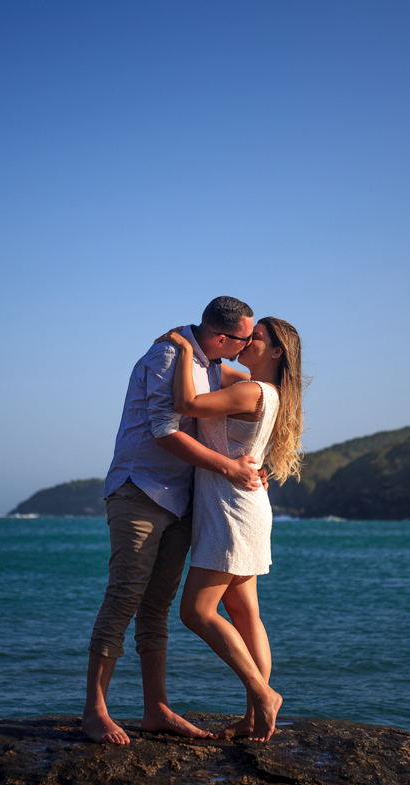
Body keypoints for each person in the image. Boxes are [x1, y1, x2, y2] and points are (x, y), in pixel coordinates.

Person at [82, 296, 266, 745]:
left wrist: (258, 455)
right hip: (139, 490)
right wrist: (229, 469)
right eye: (245, 339)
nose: (245, 349)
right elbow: (164, 431)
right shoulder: (167, 355)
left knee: (157, 608)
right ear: (223, 337)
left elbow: (259, 391)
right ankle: (94, 712)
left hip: (181, 499)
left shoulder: (214, 363)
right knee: (124, 597)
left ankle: (156, 710)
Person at [159, 316, 304, 742]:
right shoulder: (268, 390)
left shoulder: (252, 391)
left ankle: (263, 695)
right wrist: (208, 353)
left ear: (276, 352)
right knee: (244, 612)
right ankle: (254, 717)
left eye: (255, 338)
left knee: (196, 612)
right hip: (246, 507)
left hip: (231, 511)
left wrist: (186, 349)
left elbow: (186, 404)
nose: (245, 341)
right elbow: (222, 368)